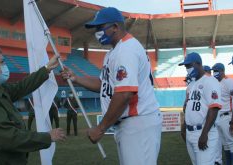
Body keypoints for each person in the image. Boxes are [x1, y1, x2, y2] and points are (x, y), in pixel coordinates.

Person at [61, 7, 162, 165]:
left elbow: (124, 94)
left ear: (115, 26)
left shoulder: (126, 50)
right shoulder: (114, 52)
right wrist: (76, 78)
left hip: (138, 122)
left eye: (100, 27)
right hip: (129, 124)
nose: (97, 32)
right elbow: (104, 84)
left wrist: (100, 128)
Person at [0, 43, 66, 164]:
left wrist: (46, 68)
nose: (5, 66)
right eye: (2, 62)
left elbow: (21, 87)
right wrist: (48, 137)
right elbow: (9, 137)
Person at [179, 52, 221, 165]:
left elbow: (214, 109)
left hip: (203, 131)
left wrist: (204, 134)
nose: (187, 68)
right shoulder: (192, 84)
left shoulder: (210, 81)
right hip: (190, 132)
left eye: (189, 65)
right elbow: (189, 108)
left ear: (198, 64)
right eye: (186, 66)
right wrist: (184, 127)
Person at [212, 63, 233, 165]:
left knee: (232, 144)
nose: (214, 73)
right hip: (218, 118)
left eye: (216, 71)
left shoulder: (229, 82)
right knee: (226, 145)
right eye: (213, 71)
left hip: (227, 116)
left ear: (222, 71)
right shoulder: (215, 83)